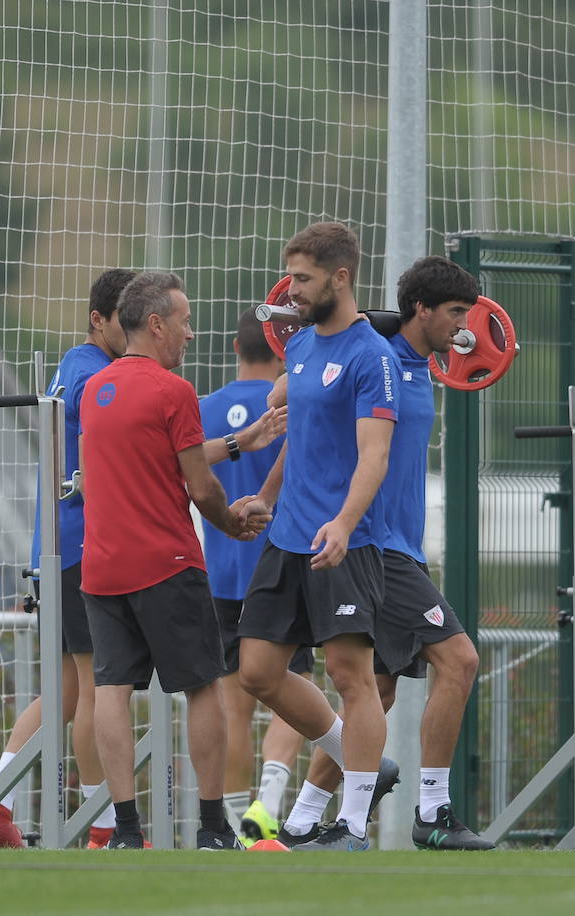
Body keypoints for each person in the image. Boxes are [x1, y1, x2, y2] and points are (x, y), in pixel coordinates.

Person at [276, 255, 493, 851]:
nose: (462, 327)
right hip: (377, 545)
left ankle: (300, 822)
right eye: (453, 313)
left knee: (378, 690)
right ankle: (433, 811)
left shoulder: (423, 362)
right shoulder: (374, 351)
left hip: (403, 547)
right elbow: (288, 393)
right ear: (420, 310)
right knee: (460, 661)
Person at [80, 270, 268, 850]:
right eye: (184, 321)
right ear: (156, 323)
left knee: (112, 689)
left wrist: (239, 441)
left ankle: (126, 832)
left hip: (102, 567)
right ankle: (212, 828)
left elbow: (141, 464)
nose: (190, 333)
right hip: (168, 561)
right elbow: (200, 486)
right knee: (205, 687)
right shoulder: (172, 390)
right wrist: (233, 524)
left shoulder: (96, 389)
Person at [234, 221, 398, 852]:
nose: (291, 291)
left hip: (345, 541)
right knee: (257, 671)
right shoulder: (299, 349)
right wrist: (267, 497)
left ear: (341, 277)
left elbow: (374, 457)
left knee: (350, 674)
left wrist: (346, 523)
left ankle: (352, 825)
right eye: (291, 278)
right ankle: (361, 761)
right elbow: (296, 435)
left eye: (302, 279)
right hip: (288, 536)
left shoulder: (370, 357)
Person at [0, 268, 133, 849]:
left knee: (65, 690)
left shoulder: (75, 364)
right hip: (83, 548)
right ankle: (105, 825)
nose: (139, 330)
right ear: (99, 319)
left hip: (57, 547)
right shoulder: (96, 376)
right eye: (128, 320)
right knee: (97, 688)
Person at [198, 306, 309, 845]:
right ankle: (268, 800)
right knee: (298, 688)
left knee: (231, 706)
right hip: (284, 568)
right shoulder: (294, 404)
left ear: (236, 350)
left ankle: (237, 822)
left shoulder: (204, 408)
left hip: (221, 576)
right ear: (281, 353)